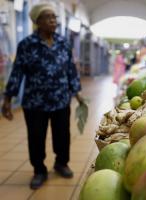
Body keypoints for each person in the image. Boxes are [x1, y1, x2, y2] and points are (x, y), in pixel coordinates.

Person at [1, 3, 83, 190]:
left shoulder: (63, 43)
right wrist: (7, 99)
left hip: (61, 99)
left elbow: (70, 70)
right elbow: (17, 72)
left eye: (54, 17)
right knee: (36, 137)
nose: (53, 20)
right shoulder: (26, 45)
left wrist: (77, 94)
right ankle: (39, 170)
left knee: (62, 134)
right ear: (37, 21)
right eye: (48, 17)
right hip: (35, 101)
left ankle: (61, 163)